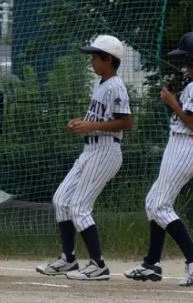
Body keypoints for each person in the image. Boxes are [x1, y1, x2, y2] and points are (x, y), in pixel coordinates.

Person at [125, 29, 193, 287]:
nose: (184, 63)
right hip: (192, 147)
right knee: (155, 201)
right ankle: (151, 264)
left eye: (186, 58)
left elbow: (192, 122)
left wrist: (173, 102)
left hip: (184, 145)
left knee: (158, 205)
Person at [37, 33, 133, 281]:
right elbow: (100, 119)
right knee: (61, 200)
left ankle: (98, 264)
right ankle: (69, 259)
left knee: (79, 206)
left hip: (105, 150)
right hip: (91, 150)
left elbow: (126, 122)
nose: (92, 61)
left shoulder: (116, 85)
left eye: (95, 57)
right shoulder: (101, 84)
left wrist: (91, 127)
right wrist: (82, 122)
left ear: (108, 59)